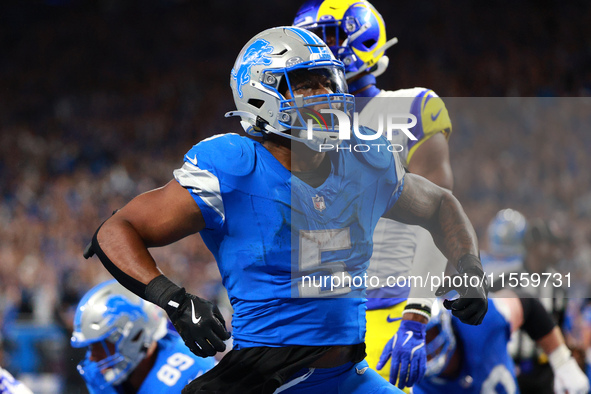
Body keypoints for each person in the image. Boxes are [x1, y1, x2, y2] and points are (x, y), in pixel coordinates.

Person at [83, 26, 487, 393]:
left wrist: (468, 267)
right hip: (265, 376)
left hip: (347, 376)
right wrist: (173, 300)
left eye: (328, 80)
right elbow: (117, 229)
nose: (326, 93)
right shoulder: (234, 167)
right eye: (308, 84)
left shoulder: (364, 157)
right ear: (261, 96)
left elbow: (439, 203)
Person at [293, 0, 454, 388]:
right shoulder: (302, 129)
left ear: (360, 34)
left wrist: (417, 313)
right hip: (327, 317)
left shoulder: (411, 108)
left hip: (392, 309)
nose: (315, 55)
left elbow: (443, 217)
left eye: (325, 39)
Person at [414, 294, 589, 394]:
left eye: (429, 334)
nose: (427, 345)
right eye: (417, 338)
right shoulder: (413, 381)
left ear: (444, 322)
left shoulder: (479, 322)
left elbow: (529, 307)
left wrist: (562, 363)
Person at [70, 280, 214, 394]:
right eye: (91, 346)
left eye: (101, 344)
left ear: (136, 336)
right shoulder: (108, 375)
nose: (92, 357)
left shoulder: (192, 377)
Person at [482, 209, 571, 394]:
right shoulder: (502, 281)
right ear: (534, 245)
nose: (556, 250)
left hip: (543, 373)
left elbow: (559, 327)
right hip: (510, 366)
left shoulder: (558, 287)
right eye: (551, 244)